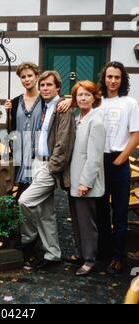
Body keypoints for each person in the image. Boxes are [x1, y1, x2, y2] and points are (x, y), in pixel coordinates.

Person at [18, 71, 75, 270]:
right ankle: (53, 254)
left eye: (49, 85)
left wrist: (52, 168)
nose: (45, 88)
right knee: (46, 211)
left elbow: (63, 142)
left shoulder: (63, 109)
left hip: (49, 165)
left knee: (24, 201)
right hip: (37, 162)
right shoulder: (45, 105)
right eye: (42, 85)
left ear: (58, 87)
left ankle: (29, 239)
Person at [5, 62, 72, 201]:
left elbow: (57, 102)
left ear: (37, 77)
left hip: (38, 154)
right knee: (19, 189)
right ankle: (22, 218)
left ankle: (19, 217)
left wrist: (70, 101)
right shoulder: (15, 101)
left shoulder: (45, 100)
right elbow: (10, 129)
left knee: (29, 194)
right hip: (20, 151)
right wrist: (8, 113)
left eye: (30, 76)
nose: (27, 79)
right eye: (23, 77)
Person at [97, 61, 139, 274]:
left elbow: (136, 135)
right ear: (104, 78)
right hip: (99, 161)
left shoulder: (129, 103)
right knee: (101, 210)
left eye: (117, 77)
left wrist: (121, 159)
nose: (112, 81)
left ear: (122, 80)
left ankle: (118, 256)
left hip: (118, 161)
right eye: (109, 77)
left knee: (120, 213)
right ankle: (103, 253)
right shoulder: (98, 101)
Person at [68, 81, 106, 276]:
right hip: (74, 179)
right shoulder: (77, 118)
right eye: (79, 95)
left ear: (94, 98)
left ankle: (90, 259)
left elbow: (94, 157)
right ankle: (79, 253)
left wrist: (86, 182)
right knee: (76, 220)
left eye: (87, 95)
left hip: (85, 181)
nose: (83, 98)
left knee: (86, 222)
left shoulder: (96, 121)